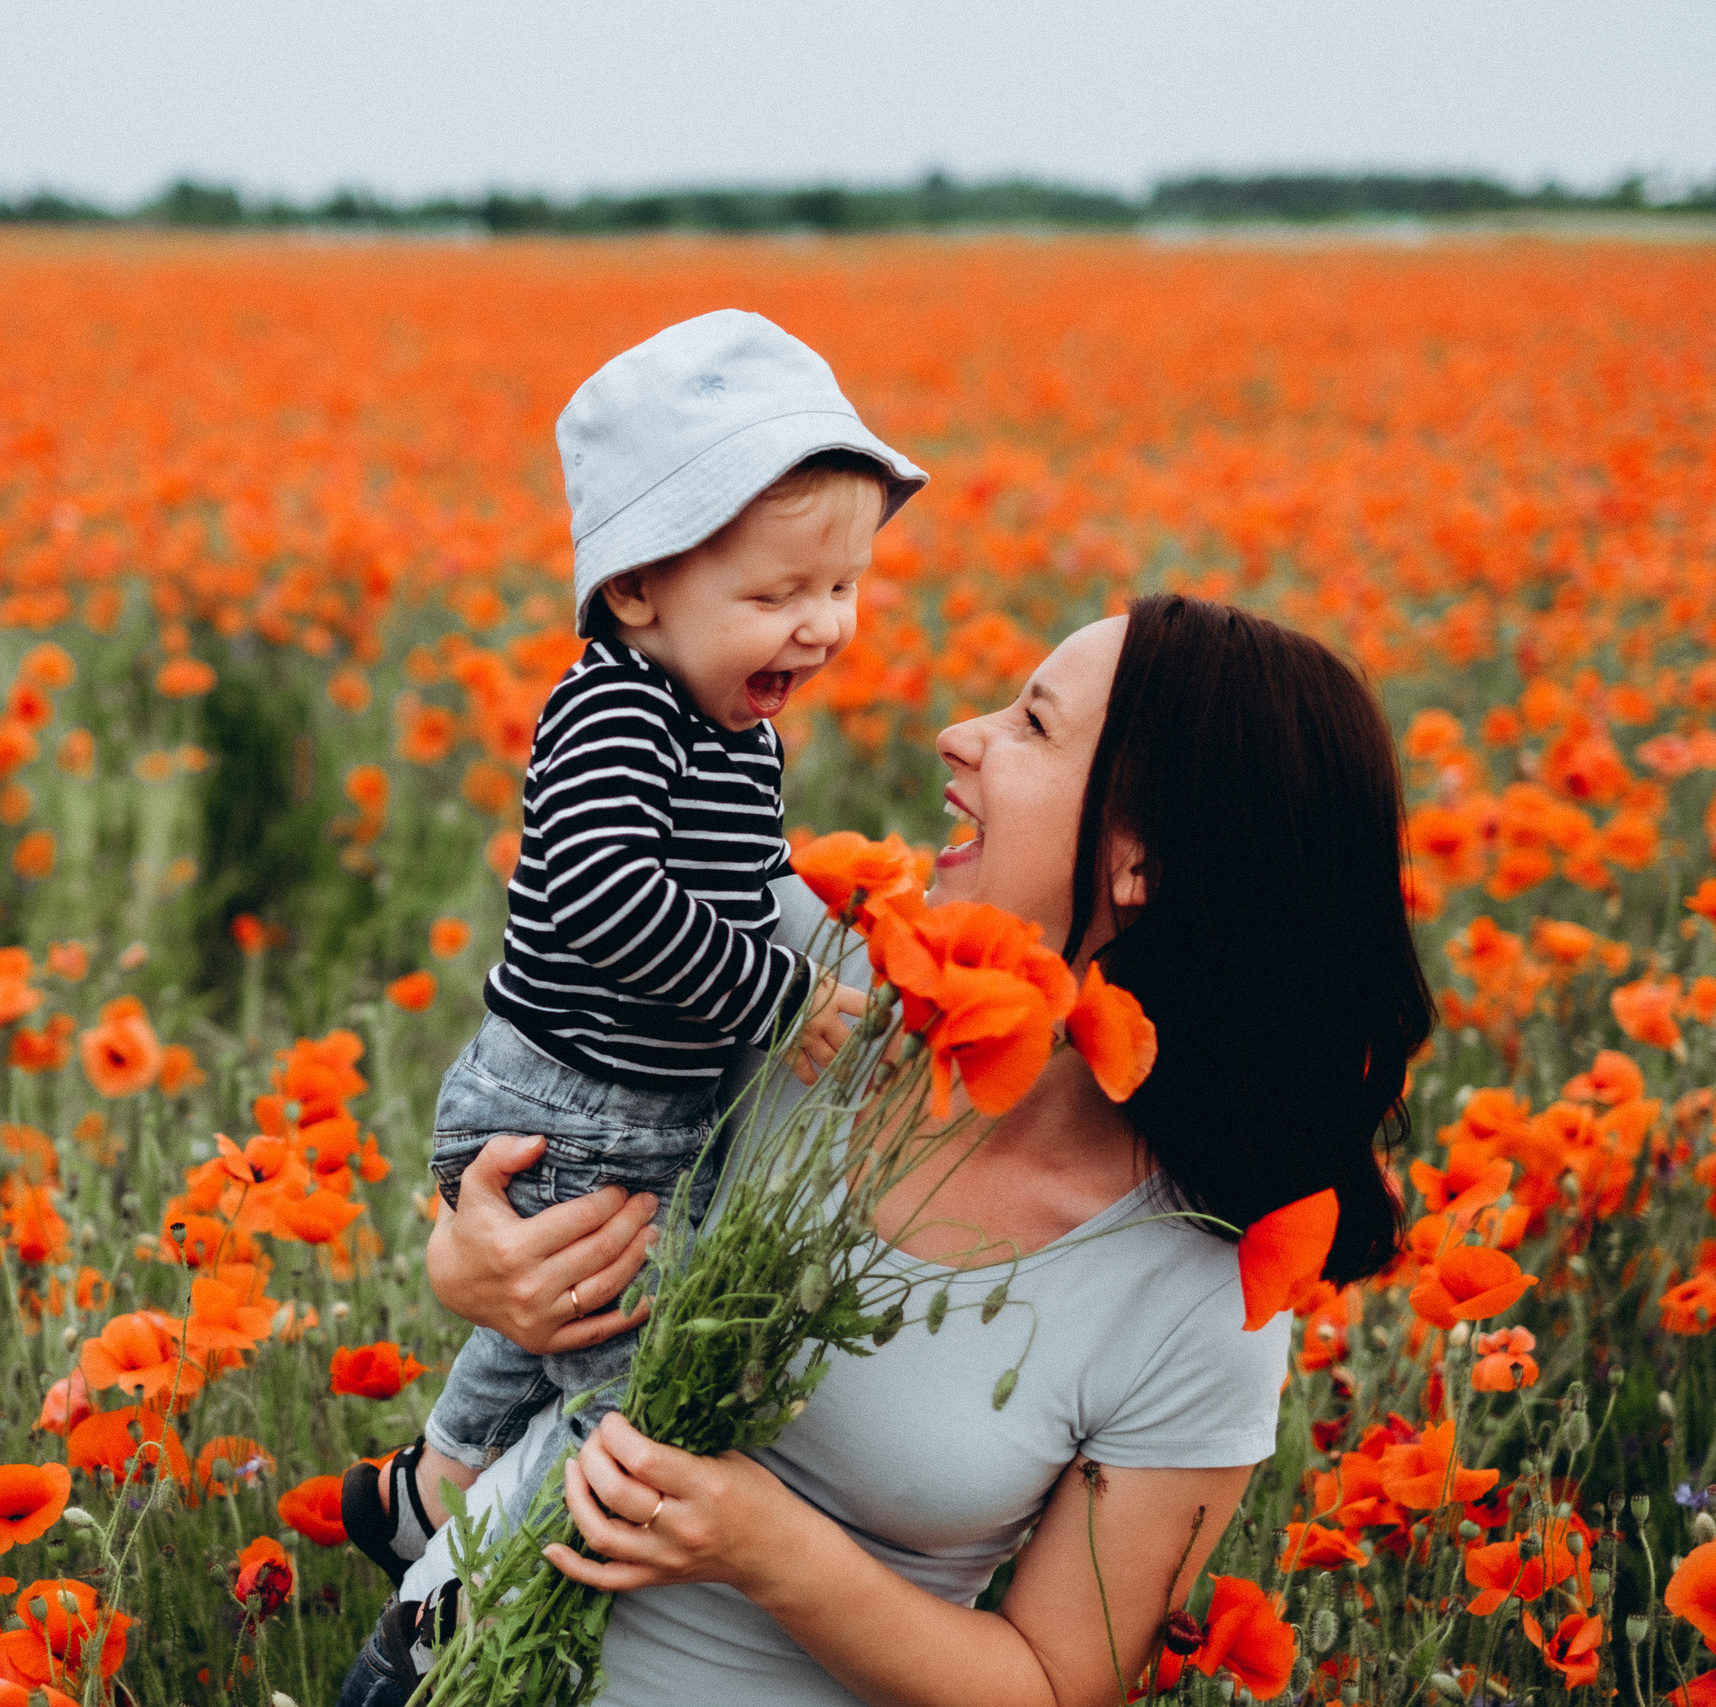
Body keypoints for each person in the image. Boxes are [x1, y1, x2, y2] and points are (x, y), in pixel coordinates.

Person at [344, 593, 1435, 1706]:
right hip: (432, 1667)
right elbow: (545, 1123)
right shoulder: (791, 974)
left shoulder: (1199, 1290)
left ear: (1141, 860)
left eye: (1034, 726)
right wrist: (469, 1265)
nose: (960, 734)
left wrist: (769, 1549)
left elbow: (1059, 1682)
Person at [341, 310, 930, 1586]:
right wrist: (780, 993)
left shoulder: (733, 726)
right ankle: (494, 1600)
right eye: (774, 595)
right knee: (641, 1388)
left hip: (632, 1098)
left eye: (842, 587)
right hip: (567, 1100)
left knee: (564, 1310)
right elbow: (607, 895)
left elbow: (737, 880)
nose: (820, 627)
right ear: (636, 589)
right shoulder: (616, 705)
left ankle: (430, 1493)